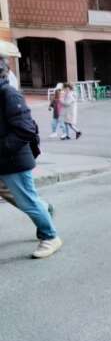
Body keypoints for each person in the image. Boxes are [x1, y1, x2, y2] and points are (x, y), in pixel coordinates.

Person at [0, 58, 63, 258]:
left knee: (27, 200)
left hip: (13, 161)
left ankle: (50, 237)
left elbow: (25, 130)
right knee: (17, 197)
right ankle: (44, 208)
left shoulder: (9, 94)